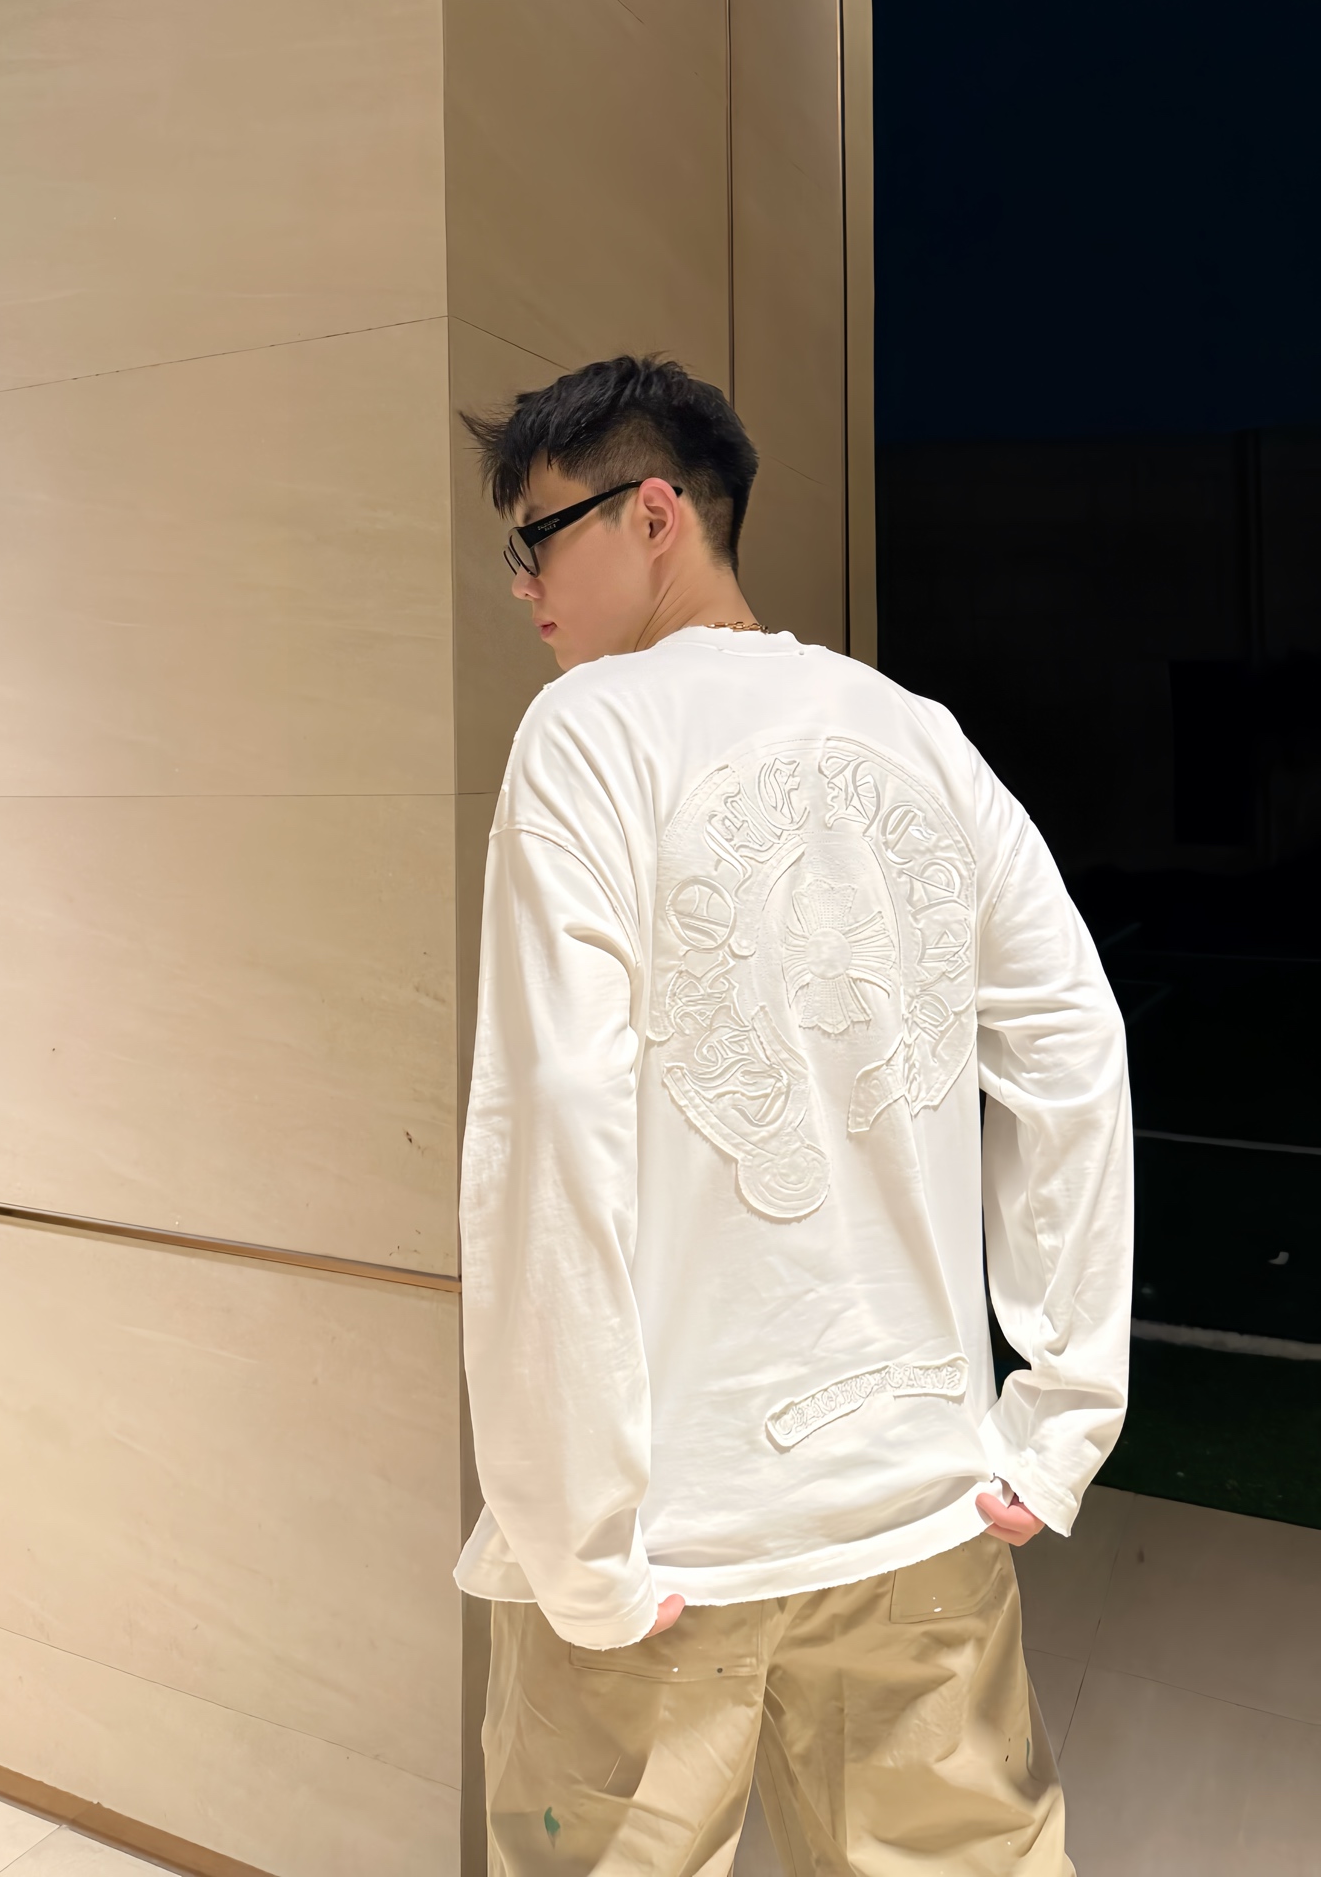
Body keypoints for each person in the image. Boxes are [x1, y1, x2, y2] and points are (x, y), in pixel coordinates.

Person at [454, 355, 1131, 1875]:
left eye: (536, 538)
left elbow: (551, 1117)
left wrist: (576, 1539)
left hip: (667, 1546)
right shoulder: (921, 735)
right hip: (924, 1509)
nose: (524, 587)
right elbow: (1074, 1040)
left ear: (653, 516)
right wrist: (1059, 1415)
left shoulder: (588, 733)